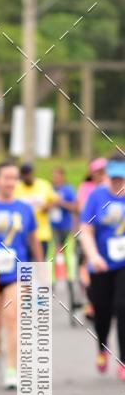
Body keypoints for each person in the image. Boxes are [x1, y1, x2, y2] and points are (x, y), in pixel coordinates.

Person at [0, 160, 43, 388]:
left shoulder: (25, 209)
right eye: (6, 177)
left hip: (17, 273)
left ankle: (12, 369)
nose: (10, 182)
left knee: (13, 318)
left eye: (14, 178)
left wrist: (40, 270)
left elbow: (33, 240)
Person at [79, 152, 125, 379]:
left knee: (122, 307)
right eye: (113, 177)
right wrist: (93, 255)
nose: (117, 182)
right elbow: (86, 230)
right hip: (101, 264)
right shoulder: (97, 196)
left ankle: (123, 360)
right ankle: (102, 347)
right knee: (102, 310)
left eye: (121, 177)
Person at [77, 158, 108, 321]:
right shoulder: (86, 187)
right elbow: (83, 211)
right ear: (92, 173)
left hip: (107, 236)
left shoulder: (112, 186)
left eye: (104, 171)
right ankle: (91, 301)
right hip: (88, 234)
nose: (101, 174)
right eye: (98, 171)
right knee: (86, 265)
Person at [50, 166, 81, 320]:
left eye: (57, 175)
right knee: (49, 260)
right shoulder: (49, 189)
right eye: (53, 175)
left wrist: (61, 203)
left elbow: (75, 208)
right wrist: (50, 204)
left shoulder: (68, 190)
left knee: (69, 260)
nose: (55, 178)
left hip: (67, 230)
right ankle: (47, 289)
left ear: (62, 176)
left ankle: (72, 289)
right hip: (52, 230)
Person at [15, 162, 58, 259]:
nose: (27, 176)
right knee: (24, 266)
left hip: (42, 233)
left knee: (39, 264)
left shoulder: (43, 185)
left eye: (29, 174)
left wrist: (47, 207)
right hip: (22, 234)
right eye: (25, 174)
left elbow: (55, 200)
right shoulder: (16, 187)